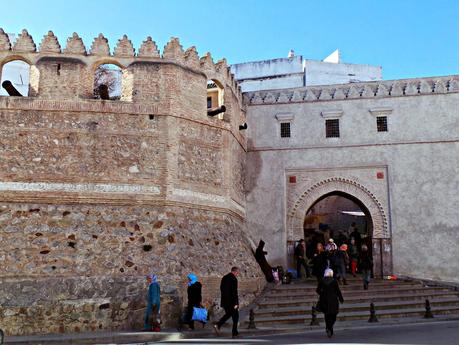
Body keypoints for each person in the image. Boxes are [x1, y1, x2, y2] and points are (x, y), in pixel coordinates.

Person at [316, 268, 344, 338]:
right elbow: (338, 291)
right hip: (333, 300)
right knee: (333, 315)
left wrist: (322, 294)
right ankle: (330, 328)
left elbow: (317, 290)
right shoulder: (334, 281)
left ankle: (328, 327)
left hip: (324, 300)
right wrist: (341, 299)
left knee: (327, 315)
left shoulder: (321, 281)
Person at [214, 267, 240, 338]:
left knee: (228, 314)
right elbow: (234, 292)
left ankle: (218, 325)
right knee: (236, 317)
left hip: (225, 301)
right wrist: (236, 303)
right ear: (234, 271)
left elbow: (221, 289)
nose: (238, 274)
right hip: (232, 302)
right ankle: (234, 333)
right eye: (238, 272)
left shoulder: (224, 278)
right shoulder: (234, 279)